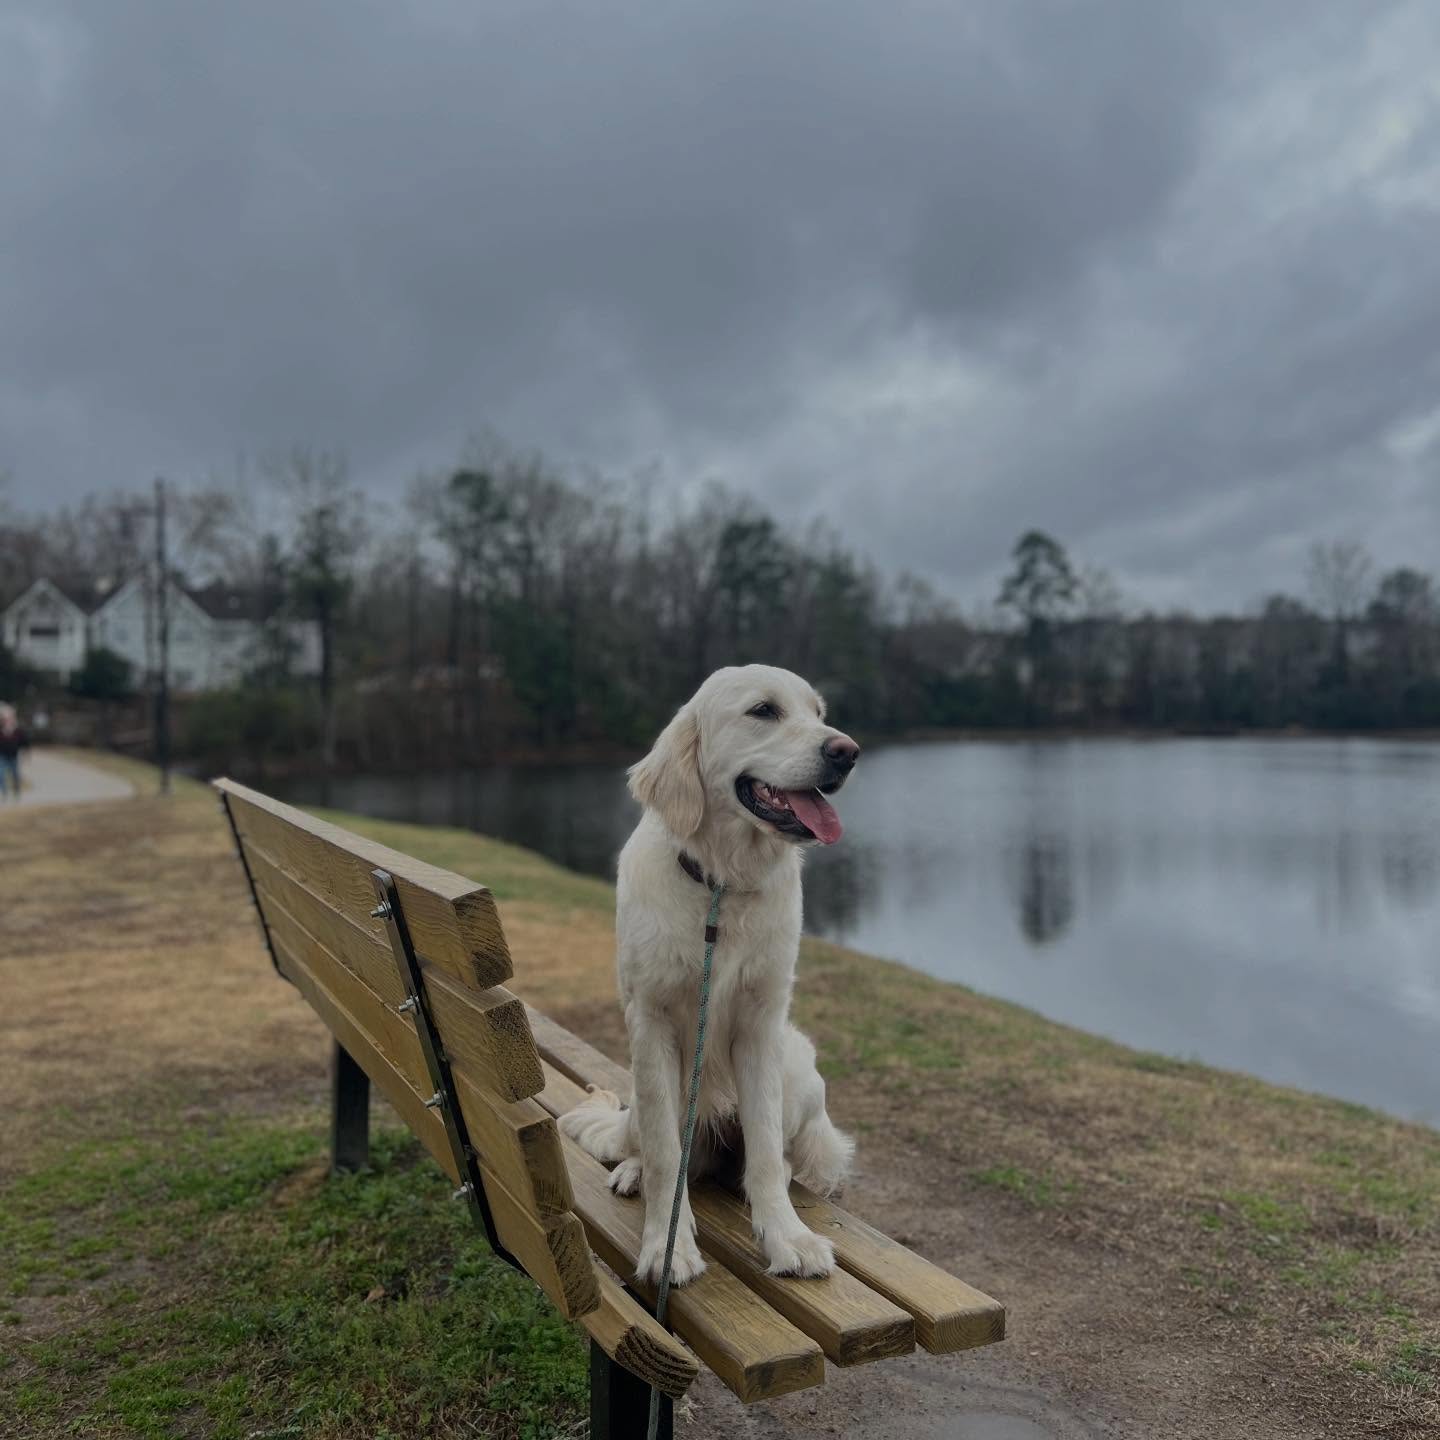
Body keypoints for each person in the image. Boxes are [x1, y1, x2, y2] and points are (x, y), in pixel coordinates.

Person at [0, 704, 26, 801]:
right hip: (2, 756)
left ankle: (17, 793)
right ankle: (4, 793)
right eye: (5, 717)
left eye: (9, 717)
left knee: (15, 776)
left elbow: (24, 742)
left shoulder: (17, 730)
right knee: (1, 775)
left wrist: (25, 752)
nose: (7, 719)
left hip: (13, 756)